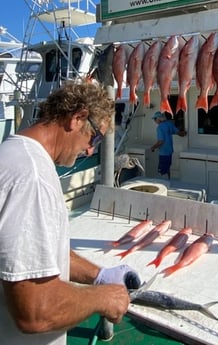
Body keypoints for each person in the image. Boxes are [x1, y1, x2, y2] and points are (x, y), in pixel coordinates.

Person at [0, 78, 140, 345]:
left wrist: (99, 276)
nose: (90, 150)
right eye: (94, 137)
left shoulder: (13, 152)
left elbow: (34, 252)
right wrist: (103, 298)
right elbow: (35, 312)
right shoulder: (32, 179)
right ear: (78, 118)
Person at [150, 111, 186, 179]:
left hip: (163, 153)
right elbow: (179, 133)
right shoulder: (169, 124)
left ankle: (164, 185)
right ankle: (168, 182)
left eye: (155, 119)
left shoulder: (159, 128)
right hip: (170, 151)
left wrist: (153, 147)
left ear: (159, 119)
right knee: (168, 169)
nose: (154, 121)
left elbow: (160, 141)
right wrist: (184, 133)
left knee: (162, 172)